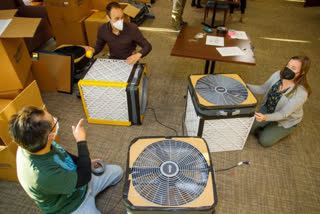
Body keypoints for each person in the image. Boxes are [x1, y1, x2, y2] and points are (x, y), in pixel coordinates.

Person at [8, 106, 123, 214]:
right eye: (54, 120)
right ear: (50, 136)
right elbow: (84, 177)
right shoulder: (43, 175)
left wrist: (85, 161)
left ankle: (89, 193)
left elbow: (64, 154)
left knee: (118, 172)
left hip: (78, 182)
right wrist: (81, 141)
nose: (55, 119)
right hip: (71, 206)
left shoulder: (32, 142)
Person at [248, 56, 311, 147]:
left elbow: (283, 114)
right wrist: (244, 85)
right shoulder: (278, 75)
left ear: (301, 73)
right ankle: (267, 125)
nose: (288, 69)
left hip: (285, 120)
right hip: (268, 109)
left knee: (265, 141)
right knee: (248, 128)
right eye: (288, 65)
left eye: (293, 68)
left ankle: (277, 128)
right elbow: (262, 89)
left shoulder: (301, 93)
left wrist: (265, 118)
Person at [87, 2, 152, 64]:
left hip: (130, 59)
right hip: (114, 59)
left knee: (139, 75)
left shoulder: (132, 28)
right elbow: (99, 45)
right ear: (108, 18)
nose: (120, 21)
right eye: (117, 18)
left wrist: (138, 55)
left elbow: (147, 46)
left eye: (122, 17)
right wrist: (93, 50)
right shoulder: (102, 29)